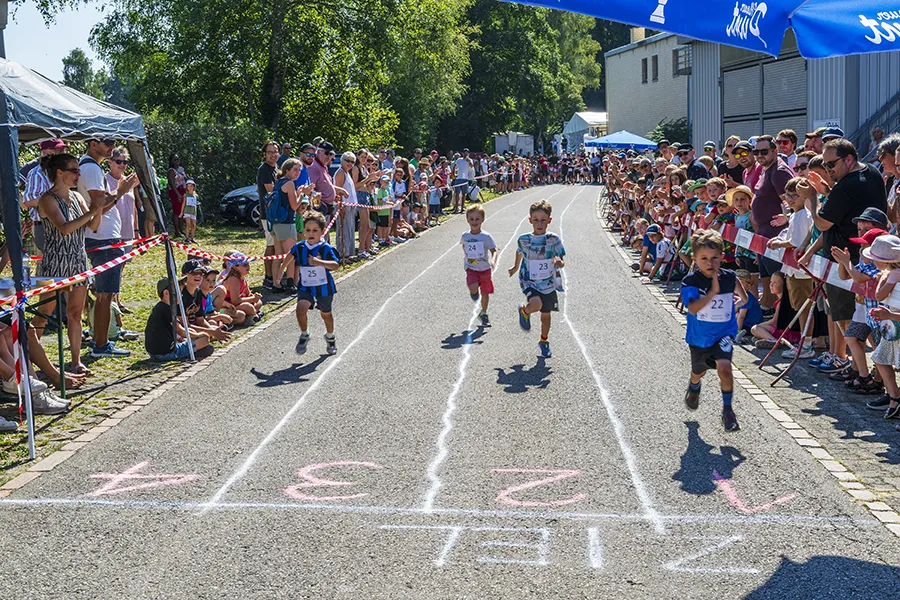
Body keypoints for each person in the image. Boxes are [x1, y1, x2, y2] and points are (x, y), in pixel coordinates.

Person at [808, 138, 888, 376]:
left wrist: (812, 199)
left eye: (831, 164)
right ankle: (860, 369)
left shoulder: (846, 185)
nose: (828, 170)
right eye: (825, 164)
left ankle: (863, 370)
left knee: (848, 319)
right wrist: (828, 191)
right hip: (862, 257)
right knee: (857, 320)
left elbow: (822, 222)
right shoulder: (871, 173)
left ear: (849, 159)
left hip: (847, 260)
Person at [32, 153, 115, 375]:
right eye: (74, 170)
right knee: (44, 312)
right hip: (55, 262)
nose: (79, 175)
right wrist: (92, 210)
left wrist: (97, 209)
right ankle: (30, 354)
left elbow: (93, 226)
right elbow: (65, 228)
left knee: (76, 313)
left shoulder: (78, 197)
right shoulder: (47, 199)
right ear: (60, 173)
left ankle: (76, 361)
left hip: (78, 259)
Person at [77, 137, 139, 360]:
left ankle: (100, 341)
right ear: (93, 143)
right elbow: (99, 206)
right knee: (105, 295)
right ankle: (100, 344)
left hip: (104, 238)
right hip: (102, 239)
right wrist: (121, 191)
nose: (112, 146)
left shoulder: (90, 166)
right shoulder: (92, 169)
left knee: (106, 295)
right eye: (107, 142)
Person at [681, 229, 747, 432]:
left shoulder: (729, 278)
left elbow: (744, 298)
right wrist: (712, 293)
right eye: (704, 259)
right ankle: (694, 386)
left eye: (715, 258)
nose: (710, 263)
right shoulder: (691, 282)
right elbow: (692, 308)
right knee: (698, 372)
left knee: (725, 367)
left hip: (724, 333)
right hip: (700, 337)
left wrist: (738, 303)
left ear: (722, 257)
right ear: (695, 259)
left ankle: (728, 411)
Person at [831, 227, 887, 395]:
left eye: (865, 247)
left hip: (877, 315)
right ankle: (865, 376)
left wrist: (848, 263)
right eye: (861, 247)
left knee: (879, 350)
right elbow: (845, 276)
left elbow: (857, 277)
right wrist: (843, 262)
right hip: (865, 313)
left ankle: (878, 382)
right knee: (851, 336)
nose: (861, 250)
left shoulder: (878, 268)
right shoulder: (864, 264)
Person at [508, 200, 566, 359]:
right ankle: (525, 311)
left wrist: (559, 263)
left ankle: (544, 341)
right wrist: (515, 267)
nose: (539, 223)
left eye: (543, 220)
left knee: (546, 316)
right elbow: (520, 252)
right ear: (530, 220)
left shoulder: (554, 239)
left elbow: (560, 257)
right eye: (536, 220)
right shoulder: (524, 239)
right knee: (536, 304)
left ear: (549, 220)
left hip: (548, 282)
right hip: (529, 280)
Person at [765, 177, 814, 359]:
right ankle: (804, 340)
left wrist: (778, 243)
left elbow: (795, 242)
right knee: (799, 306)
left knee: (803, 308)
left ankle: (806, 343)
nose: (791, 198)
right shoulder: (796, 215)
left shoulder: (802, 215)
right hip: (794, 269)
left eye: (795, 195)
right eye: (788, 195)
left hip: (801, 271)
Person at [291, 210, 341, 356]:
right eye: (307, 230)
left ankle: (330, 337)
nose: (311, 233)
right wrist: (281, 271)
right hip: (306, 285)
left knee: (325, 314)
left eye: (315, 230)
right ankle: (304, 334)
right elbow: (290, 256)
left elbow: (336, 265)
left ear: (322, 232)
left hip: (324, 287)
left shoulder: (326, 248)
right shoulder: (300, 247)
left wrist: (319, 262)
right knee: (300, 308)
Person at [268, 158, 311, 292]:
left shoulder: (279, 182)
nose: (297, 173)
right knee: (291, 255)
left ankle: (276, 284)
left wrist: (299, 193)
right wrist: (303, 193)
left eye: (299, 170)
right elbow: (294, 206)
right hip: (286, 223)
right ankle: (290, 283)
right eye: (295, 170)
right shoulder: (290, 184)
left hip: (276, 223)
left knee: (278, 254)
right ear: (287, 170)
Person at [145, 276, 210, 361]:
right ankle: (187, 354)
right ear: (166, 293)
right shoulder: (167, 309)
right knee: (205, 339)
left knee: (195, 336)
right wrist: (199, 335)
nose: (181, 294)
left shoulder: (160, 307)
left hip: (155, 352)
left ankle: (189, 350)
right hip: (166, 352)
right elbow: (181, 331)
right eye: (178, 291)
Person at [22, 139, 68, 254]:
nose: (62, 153)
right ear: (45, 152)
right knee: (51, 266)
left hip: (62, 224)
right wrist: (54, 202)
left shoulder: (61, 172)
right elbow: (28, 201)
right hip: (45, 227)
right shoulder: (37, 173)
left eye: (63, 149)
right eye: (58, 150)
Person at [461, 205, 497, 328]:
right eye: (471, 219)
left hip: (485, 269)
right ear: (467, 220)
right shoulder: (465, 236)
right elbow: (464, 246)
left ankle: (484, 313)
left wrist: (493, 260)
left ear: (482, 219)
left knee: (485, 293)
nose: (474, 222)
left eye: (477, 219)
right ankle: (474, 292)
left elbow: (494, 250)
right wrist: (467, 258)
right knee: (473, 286)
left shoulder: (486, 237)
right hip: (471, 268)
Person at [257, 141, 281, 288]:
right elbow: (272, 191)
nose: (273, 154)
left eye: (275, 151)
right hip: (269, 213)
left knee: (277, 245)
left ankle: (276, 275)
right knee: (271, 245)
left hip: (278, 213)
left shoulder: (276, 168)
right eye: (270, 152)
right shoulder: (264, 169)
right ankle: (268, 277)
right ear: (264, 154)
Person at [222, 252, 263, 322]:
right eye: (244, 265)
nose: (248, 266)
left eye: (248, 264)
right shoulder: (233, 279)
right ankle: (253, 315)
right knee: (247, 307)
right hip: (226, 306)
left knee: (259, 302)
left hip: (237, 305)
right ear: (235, 267)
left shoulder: (242, 278)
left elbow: (248, 294)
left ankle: (251, 315)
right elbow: (235, 301)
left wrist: (255, 297)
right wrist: (252, 299)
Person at [166, 153, 187, 237]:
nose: (176, 161)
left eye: (177, 159)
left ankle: (181, 230)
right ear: (171, 161)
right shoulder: (171, 171)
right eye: (174, 160)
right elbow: (172, 184)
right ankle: (177, 231)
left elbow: (186, 179)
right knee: (177, 211)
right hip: (176, 192)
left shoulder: (181, 169)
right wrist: (177, 194)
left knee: (182, 211)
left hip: (183, 190)